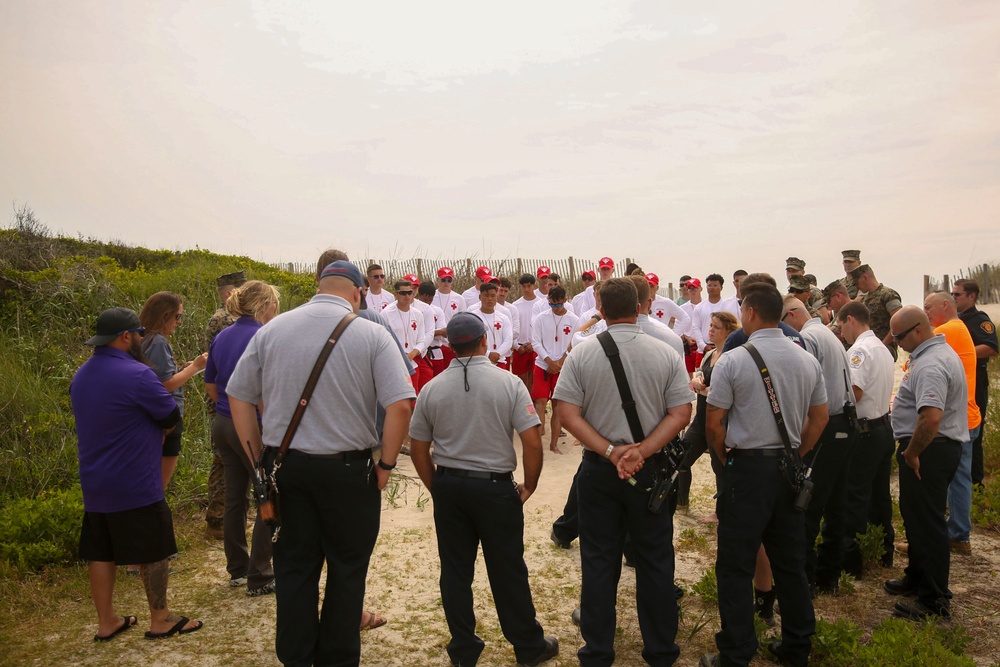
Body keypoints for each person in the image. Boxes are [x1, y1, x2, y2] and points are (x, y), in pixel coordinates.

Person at [226, 260, 415, 666]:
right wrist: (385, 465)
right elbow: (400, 404)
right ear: (359, 291)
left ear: (317, 286)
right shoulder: (371, 333)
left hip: (285, 468)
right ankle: (338, 656)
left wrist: (259, 458)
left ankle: (296, 655)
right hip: (348, 471)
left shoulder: (272, 330)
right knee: (347, 568)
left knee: (294, 565)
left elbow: (238, 395)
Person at [554, 277, 692, 667]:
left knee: (599, 558)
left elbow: (566, 413)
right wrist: (643, 450)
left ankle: (597, 651)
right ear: (641, 305)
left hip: (600, 471)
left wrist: (612, 451)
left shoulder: (583, 354)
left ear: (600, 307)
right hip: (650, 472)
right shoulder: (665, 352)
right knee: (655, 558)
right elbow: (681, 413)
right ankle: (661, 650)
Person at [409, 313, 558, 667]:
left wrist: (436, 486)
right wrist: (530, 484)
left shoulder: (432, 388)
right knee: (507, 568)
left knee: (455, 570)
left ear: (451, 345)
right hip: (493, 487)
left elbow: (418, 448)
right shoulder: (506, 383)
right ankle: (527, 645)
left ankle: (463, 647)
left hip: (449, 483)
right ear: (484, 340)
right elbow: (531, 442)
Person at [702, 281, 828, 667]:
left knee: (736, 564)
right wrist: (797, 453)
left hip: (748, 468)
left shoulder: (733, 360)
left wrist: (726, 459)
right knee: (790, 563)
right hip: (788, 469)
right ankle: (796, 647)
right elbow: (820, 417)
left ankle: (736, 652)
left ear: (751, 312)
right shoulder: (806, 358)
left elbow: (714, 423)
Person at [71, 307, 203, 641]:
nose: (143, 339)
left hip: (95, 480)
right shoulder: (137, 374)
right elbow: (169, 413)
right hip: (135, 479)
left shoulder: (81, 375)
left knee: (101, 552)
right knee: (155, 547)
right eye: (139, 333)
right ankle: (160, 619)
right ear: (126, 336)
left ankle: (107, 622)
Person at [884, 306, 966, 621]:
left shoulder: (931, 364)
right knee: (916, 517)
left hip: (930, 450)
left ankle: (934, 600)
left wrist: (913, 453)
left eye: (899, 336)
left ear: (918, 330)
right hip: (935, 448)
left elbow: (931, 417)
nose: (897, 341)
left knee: (928, 523)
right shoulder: (937, 354)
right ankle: (917, 577)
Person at [204, 280, 280, 596]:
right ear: (264, 305)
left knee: (235, 496)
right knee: (268, 495)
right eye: (275, 303)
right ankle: (260, 574)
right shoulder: (263, 336)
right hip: (250, 426)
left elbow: (210, 385)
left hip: (222, 422)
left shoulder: (223, 335)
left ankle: (237, 568)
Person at [782, 296, 857, 594]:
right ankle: (829, 577)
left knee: (808, 503)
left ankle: (807, 578)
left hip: (828, 426)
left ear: (791, 315)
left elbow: (805, 388)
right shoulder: (826, 332)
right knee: (836, 505)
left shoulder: (808, 338)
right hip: (846, 424)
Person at [837, 301, 896, 577]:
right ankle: (884, 552)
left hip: (865, 430)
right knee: (880, 496)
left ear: (850, 320)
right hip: (883, 426)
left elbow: (855, 391)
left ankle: (852, 561)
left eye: (840, 326)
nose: (841, 333)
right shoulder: (881, 347)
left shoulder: (858, 350)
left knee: (855, 496)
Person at [924, 291, 981, 555]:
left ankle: (958, 533)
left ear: (945, 306)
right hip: (967, 415)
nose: (925, 313)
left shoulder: (948, 330)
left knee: (957, 478)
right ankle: (956, 528)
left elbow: (912, 363)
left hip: (960, 418)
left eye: (928, 307)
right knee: (958, 477)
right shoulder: (957, 328)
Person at [139, 291, 208, 491]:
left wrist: (184, 370)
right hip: (166, 418)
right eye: (178, 316)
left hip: (151, 416)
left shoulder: (143, 339)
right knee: (157, 486)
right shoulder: (157, 342)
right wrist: (195, 367)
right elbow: (166, 384)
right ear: (164, 315)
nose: (179, 322)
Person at [676, 311, 739, 515]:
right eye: (710, 325)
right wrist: (697, 383)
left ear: (728, 331)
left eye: (716, 327)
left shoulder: (732, 357)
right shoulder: (711, 354)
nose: (710, 330)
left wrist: (700, 387)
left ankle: (722, 511)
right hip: (700, 419)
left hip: (720, 420)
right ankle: (681, 501)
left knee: (720, 467)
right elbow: (700, 377)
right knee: (682, 459)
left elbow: (724, 391)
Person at [203, 270, 247, 540]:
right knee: (225, 461)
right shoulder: (226, 320)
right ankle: (218, 520)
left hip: (227, 398)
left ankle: (228, 517)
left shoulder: (224, 318)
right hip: (228, 401)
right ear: (230, 292)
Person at [953, 278, 998, 488]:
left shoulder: (979, 320)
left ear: (971, 296)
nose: (953, 298)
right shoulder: (956, 320)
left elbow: (991, 347)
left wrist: (962, 353)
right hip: (960, 382)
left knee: (975, 430)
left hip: (976, 381)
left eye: (957, 295)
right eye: (952, 295)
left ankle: (976, 481)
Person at [530, 285, 579, 453]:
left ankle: (554, 445)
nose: (555, 308)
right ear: (548, 301)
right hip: (543, 364)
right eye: (552, 304)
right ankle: (536, 443)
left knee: (557, 406)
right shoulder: (541, 318)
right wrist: (549, 361)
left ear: (565, 301)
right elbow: (536, 341)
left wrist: (560, 361)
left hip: (562, 366)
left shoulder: (574, 320)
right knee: (540, 402)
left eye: (558, 305)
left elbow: (574, 343)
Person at [383, 279, 430, 393]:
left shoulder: (417, 314)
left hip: (412, 364)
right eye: (403, 293)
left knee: (413, 398)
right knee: (396, 399)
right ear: (396, 294)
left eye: (410, 293)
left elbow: (422, 340)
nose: (407, 296)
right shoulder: (386, 313)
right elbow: (382, 339)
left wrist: (412, 354)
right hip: (393, 365)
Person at [850, 264, 903, 360]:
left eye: (857, 283)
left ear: (865, 278)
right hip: (868, 348)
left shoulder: (888, 295)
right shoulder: (864, 300)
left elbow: (899, 322)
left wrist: (882, 344)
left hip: (886, 349)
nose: (857, 288)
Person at [691, 274, 740, 354]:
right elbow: (696, 328)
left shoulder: (727, 305)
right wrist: (703, 346)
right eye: (709, 285)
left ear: (721, 287)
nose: (712, 288)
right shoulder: (699, 307)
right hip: (703, 350)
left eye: (715, 285)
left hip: (724, 349)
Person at [469, 282, 514, 369]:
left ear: (496, 297)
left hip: (499, 361)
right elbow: (471, 340)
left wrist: (497, 354)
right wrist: (488, 354)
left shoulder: (503, 318)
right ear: (480, 297)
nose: (490, 299)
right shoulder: (473, 317)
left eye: (493, 296)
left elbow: (508, 339)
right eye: (486, 295)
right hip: (479, 362)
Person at [433, 266, 468, 371]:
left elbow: (463, 321)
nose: (446, 283)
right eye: (443, 280)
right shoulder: (432, 296)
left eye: (449, 280)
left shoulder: (459, 299)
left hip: (452, 343)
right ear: (437, 279)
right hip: (436, 343)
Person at [511, 273, 540, 390]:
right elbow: (512, 328)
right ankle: (523, 406)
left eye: (529, 286)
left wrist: (535, 344)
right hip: (520, 348)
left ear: (534, 286)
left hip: (536, 347)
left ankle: (534, 406)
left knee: (534, 380)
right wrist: (517, 346)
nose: (526, 289)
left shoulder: (541, 304)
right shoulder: (515, 305)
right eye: (524, 286)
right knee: (521, 382)